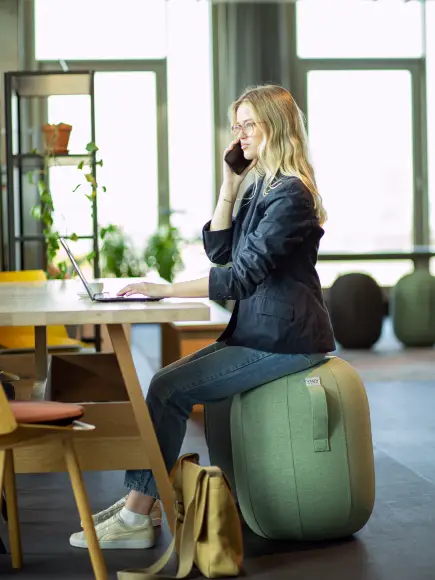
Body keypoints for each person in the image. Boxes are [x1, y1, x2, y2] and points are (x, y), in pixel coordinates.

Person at [69, 84, 336, 550]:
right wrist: (230, 186)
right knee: (163, 383)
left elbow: (240, 276)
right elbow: (219, 249)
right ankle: (140, 504)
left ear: (276, 125)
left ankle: (137, 512)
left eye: (249, 124)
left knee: (168, 388)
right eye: (237, 125)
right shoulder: (263, 189)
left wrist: (164, 290)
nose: (240, 134)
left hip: (287, 339)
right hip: (258, 333)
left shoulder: (291, 195)